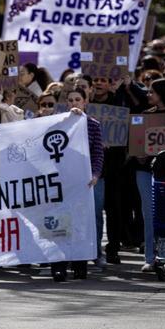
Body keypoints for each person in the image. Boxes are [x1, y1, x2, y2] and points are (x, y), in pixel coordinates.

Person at [49, 88, 104, 281]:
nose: (74, 103)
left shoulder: (93, 125)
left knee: (81, 225)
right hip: (60, 183)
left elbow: (98, 153)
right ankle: (59, 266)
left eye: (78, 99)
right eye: (70, 100)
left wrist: (96, 174)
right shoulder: (56, 124)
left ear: (85, 102)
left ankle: (80, 265)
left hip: (83, 184)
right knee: (60, 226)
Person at [134, 78, 165, 273]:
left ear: (162, 93)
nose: (148, 95)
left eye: (152, 92)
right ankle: (151, 257)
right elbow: (137, 143)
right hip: (146, 171)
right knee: (149, 215)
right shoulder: (145, 116)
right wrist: (139, 154)